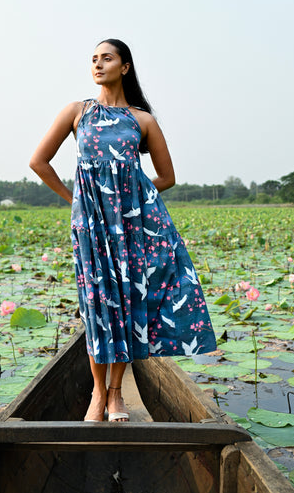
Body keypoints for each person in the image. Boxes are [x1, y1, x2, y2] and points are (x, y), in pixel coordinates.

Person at [29, 39, 216, 423]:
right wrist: (75, 200)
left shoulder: (142, 120)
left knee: (129, 301)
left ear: (125, 67)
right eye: (93, 59)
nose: (98, 64)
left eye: (106, 58)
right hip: (91, 225)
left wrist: (132, 199)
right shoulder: (77, 112)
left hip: (133, 227)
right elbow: (38, 161)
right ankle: (98, 393)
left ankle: (116, 394)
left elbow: (166, 177)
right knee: (97, 304)